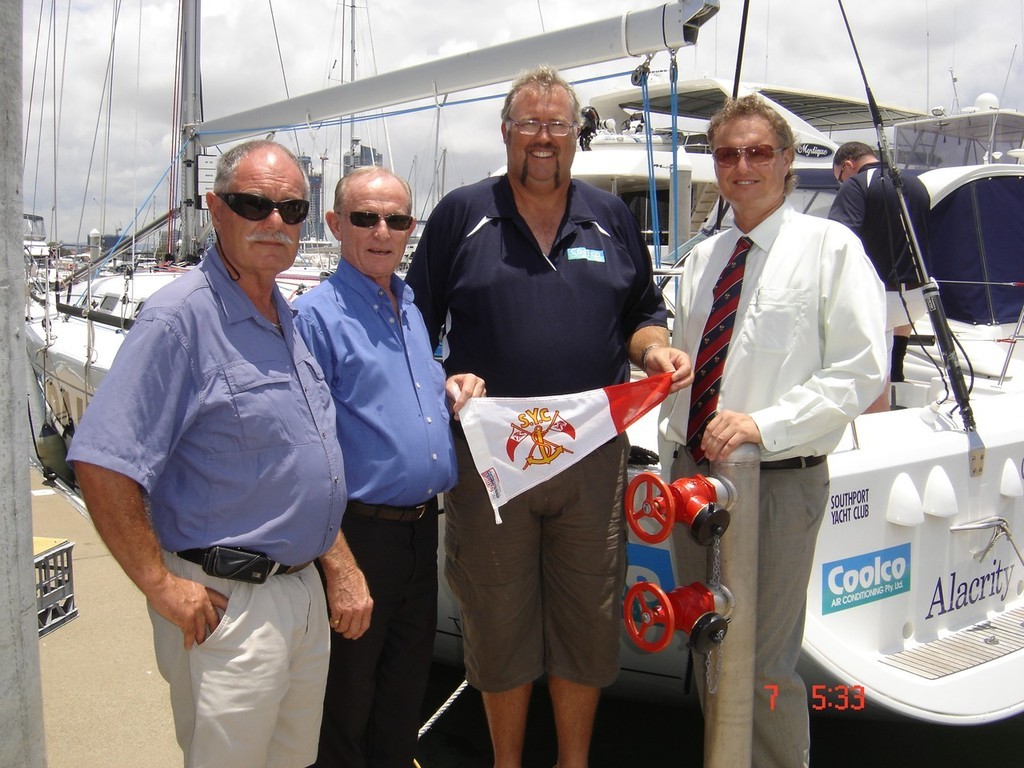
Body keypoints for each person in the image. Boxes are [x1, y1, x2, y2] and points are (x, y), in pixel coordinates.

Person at [406, 65, 692, 768]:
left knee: (587, 616)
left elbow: (641, 315)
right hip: (490, 456)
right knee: (496, 617)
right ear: (506, 132)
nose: (543, 137)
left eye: (557, 124)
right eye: (528, 123)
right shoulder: (461, 213)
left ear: (575, 136)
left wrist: (655, 350)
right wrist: (444, 378)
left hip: (590, 454)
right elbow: (412, 322)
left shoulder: (611, 214)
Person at [66, 139, 372, 768]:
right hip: (229, 605)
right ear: (216, 208)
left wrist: (337, 564)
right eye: (253, 203)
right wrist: (160, 586)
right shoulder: (179, 319)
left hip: (300, 601)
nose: (275, 222)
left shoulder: (283, 317)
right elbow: (101, 460)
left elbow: (301, 465)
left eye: (291, 209)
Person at [658, 96, 886, 768]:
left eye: (758, 151)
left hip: (776, 485)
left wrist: (764, 424)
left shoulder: (831, 249)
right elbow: (673, 351)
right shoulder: (705, 259)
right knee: (709, 645)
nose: (742, 165)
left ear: (787, 162)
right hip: (692, 486)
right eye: (728, 154)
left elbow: (861, 370)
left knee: (762, 666)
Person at [293, 166, 485, 768]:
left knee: (402, 693)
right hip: (358, 534)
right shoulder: (316, 318)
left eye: (397, 220)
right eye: (365, 218)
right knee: (347, 702)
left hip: (419, 531)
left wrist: (448, 384)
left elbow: (405, 391)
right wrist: (339, 565)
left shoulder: (408, 306)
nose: (383, 231)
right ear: (334, 223)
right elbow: (304, 452)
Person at [829, 140, 931, 410]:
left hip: (882, 299)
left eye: (839, 178)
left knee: (872, 374)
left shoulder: (857, 184)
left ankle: (877, 420)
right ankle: (897, 367)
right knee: (887, 359)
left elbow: (839, 240)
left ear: (848, 166)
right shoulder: (916, 184)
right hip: (919, 297)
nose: (842, 184)